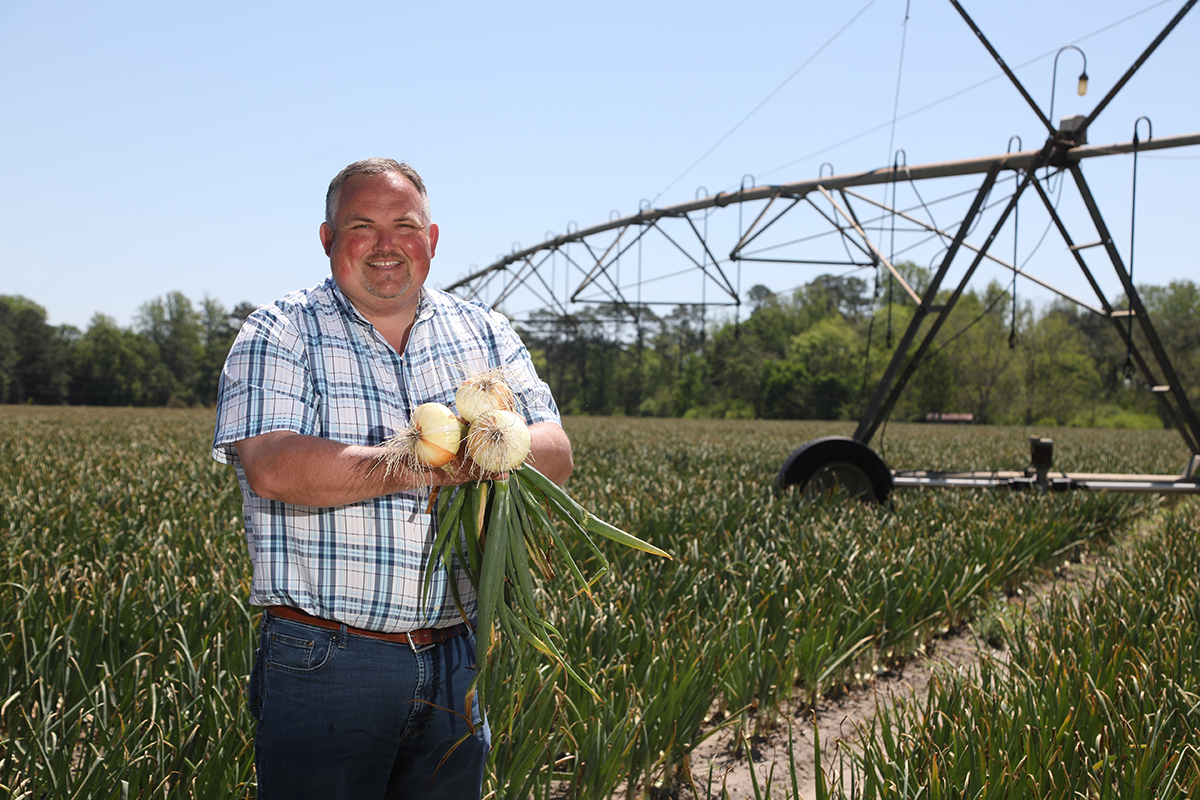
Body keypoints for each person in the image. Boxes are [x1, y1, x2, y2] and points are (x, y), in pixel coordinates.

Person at [212, 158, 572, 799]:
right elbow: (272, 466)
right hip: (328, 660)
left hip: (455, 660)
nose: (386, 245)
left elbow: (554, 451)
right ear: (328, 240)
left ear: (431, 240)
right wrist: (425, 462)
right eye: (361, 225)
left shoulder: (483, 331)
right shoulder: (279, 331)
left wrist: (482, 450)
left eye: (404, 225)